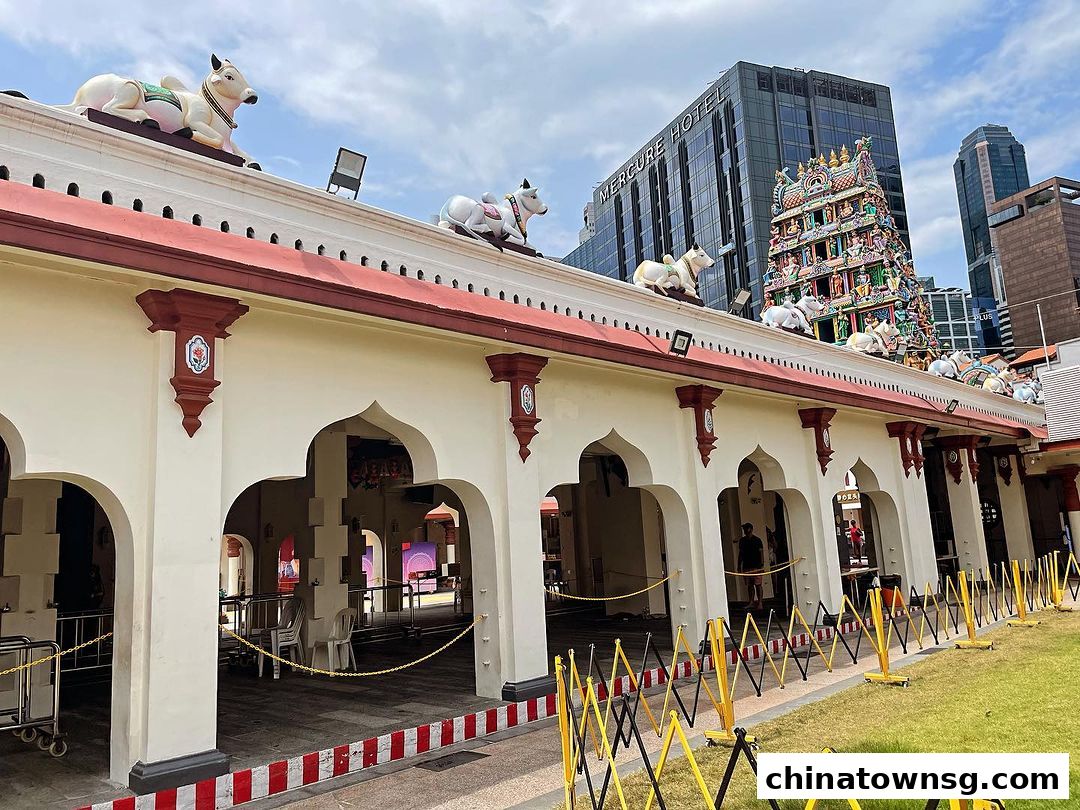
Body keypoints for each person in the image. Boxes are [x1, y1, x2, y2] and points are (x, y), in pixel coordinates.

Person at [738, 522, 765, 610]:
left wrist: (762, 564)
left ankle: (760, 602)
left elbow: (761, 552)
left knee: (758, 585)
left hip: (756, 566)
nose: (745, 530)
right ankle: (751, 602)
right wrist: (739, 565)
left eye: (747, 528)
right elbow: (741, 554)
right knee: (750, 585)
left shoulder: (757, 540)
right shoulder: (742, 541)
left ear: (751, 529)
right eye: (744, 529)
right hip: (746, 566)